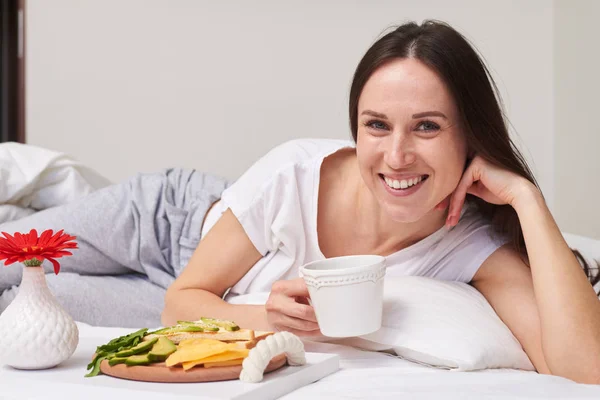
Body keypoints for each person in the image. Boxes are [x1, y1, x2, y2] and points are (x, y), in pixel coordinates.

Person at [1, 20, 599, 383]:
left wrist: (526, 197)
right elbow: (190, 286)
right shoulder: (295, 171)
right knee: (10, 249)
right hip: (169, 223)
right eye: (376, 125)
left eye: (427, 127)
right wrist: (267, 314)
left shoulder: (472, 245)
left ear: (470, 136)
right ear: (355, 127)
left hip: (203, 307)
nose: (395, 156)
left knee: (16, 303)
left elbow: (583, 369)